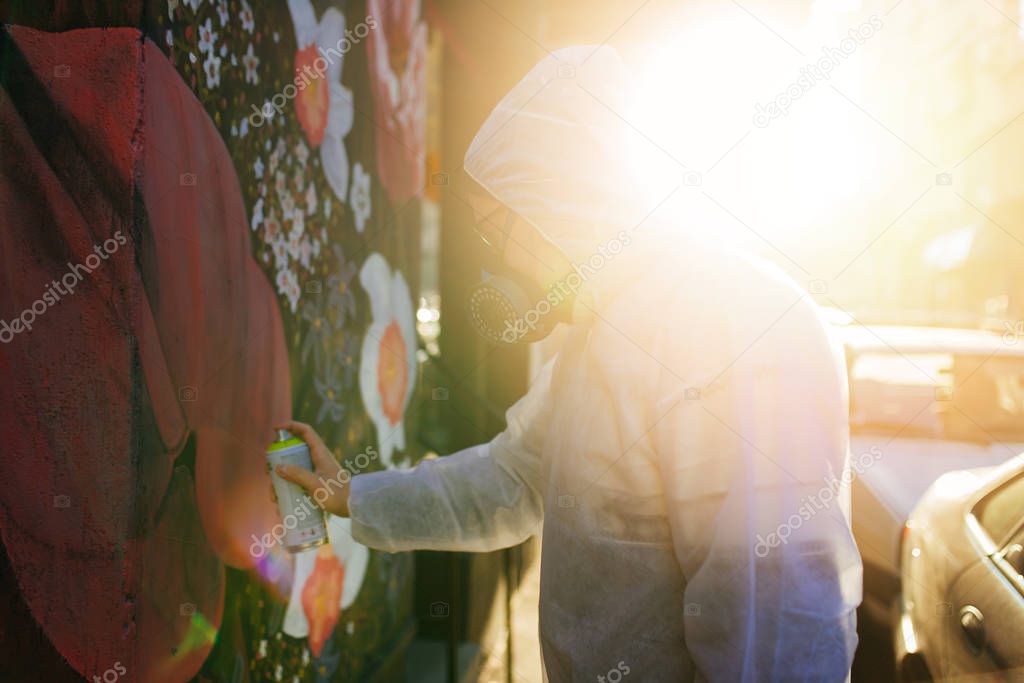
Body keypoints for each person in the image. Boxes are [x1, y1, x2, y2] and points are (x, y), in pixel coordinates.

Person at [277, 45, 862, 682]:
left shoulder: (734, 325)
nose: (495, 262)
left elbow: (774, 629)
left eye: (499, 230)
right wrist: (352, 497)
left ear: (566, 203)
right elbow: (512, 481)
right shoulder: (604, 330)